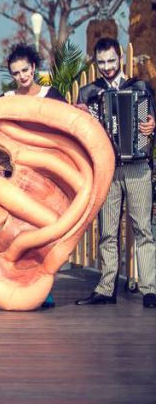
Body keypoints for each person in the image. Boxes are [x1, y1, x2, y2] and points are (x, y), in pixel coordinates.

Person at [74, 38, 156, 309]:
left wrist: (152, 126)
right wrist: (80, 116)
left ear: (120, 58)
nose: (107, 67)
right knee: (107, 231)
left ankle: (150, 289)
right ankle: (106, 288)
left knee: (143, 229)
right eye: (101, 62)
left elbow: (151, 122)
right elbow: (79, 134)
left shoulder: (140, 87)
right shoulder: (88, 93)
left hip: (137, 166)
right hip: (107, 169)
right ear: (95, 62)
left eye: (111, 60)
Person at [3, 42, 65, 309]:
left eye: (25, 70)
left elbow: (69, 127)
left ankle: (44, 287)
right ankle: (21, 284)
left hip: (48, 176)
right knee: (20, 231)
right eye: (16, 73)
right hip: (19, 176)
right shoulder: (7, 99)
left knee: (47, 231)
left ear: (34, 67)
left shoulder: (52, 96)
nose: (22, 76)